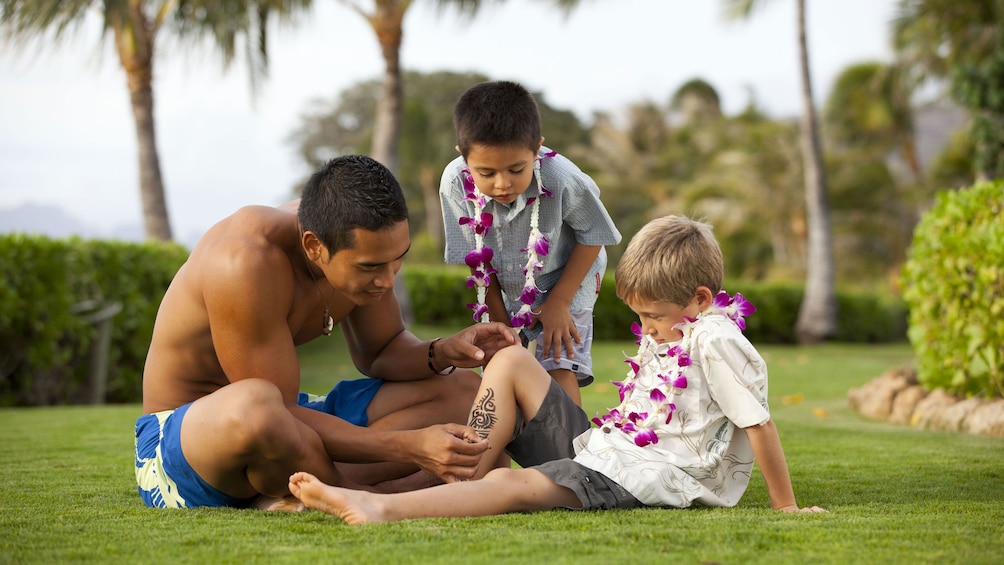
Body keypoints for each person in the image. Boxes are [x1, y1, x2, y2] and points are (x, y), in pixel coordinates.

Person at [287, 215, 827, 523]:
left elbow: (758, 422)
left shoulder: (715, 339)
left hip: (647, 477)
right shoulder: (681, 324)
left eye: (653, 317)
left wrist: (787, 507)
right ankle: (458, 474)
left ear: (702, 298)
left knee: (513, 484)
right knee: (512, 360)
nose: (649, 327)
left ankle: (381, 508)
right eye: (640, 316)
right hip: (608, 451)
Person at [135, 155, 520, 510]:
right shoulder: (244, 261)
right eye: (371, 267)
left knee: (465, 392)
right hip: (190, 441)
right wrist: (410, 446)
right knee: (255, 405)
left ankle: (341, 492)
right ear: (313, 246)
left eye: (397, 261)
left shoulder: (354, 242)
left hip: (293, 422)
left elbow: (382, 351)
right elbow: (275, 411)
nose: (386, 281)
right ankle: (355, 493)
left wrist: (442, 351)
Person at [440, 80, 622, 407]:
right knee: (503, 363)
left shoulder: (562, 178)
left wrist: (559, 303)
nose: (502, 183)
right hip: (508, 281)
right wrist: (498, 322)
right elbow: (477, 258)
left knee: (557, 358)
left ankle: (571, 454)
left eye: (516, 169)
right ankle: (505, 452)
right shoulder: (455, 184)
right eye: (486, 172)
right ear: (463, 157)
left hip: (567, 277)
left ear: (537, 149)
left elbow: (594, 236)